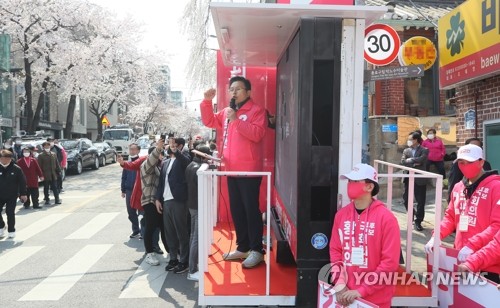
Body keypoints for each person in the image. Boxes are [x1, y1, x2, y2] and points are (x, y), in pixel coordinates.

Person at [200, 76, 267, 269]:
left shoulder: (256, 111)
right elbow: (209, 121)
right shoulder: (227, 111)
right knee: (237, 210)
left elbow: (257, 134)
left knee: (250, 210)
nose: (234, 92)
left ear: (248, 91)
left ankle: (256, 250)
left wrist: (236, 120)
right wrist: (206, 101)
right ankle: (243, 246)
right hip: (230, 169)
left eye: (238, 89)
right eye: (232, 89)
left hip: (249, 170)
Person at [425, 144, 500, 283]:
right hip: (461, 257)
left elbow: (497, 226)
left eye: (470, 162)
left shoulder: (496, 187)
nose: (465, 166)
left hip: (488, 262)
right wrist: (437, 235)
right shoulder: (459, 187)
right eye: (461, 162)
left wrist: (473, 245)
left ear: (481, 162)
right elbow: (450, 217)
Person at [330, 163, 400, 308]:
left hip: (376, 300)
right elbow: (336, 251)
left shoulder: (386, 218)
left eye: (356, 181)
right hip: (345, 297)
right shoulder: (341, 215)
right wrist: (340, 282)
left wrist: (362, 290)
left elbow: (390, 263)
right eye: (349, 181)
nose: (350, 185)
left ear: (370, 187)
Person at [155, 137, 191, 274]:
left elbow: (187, 163)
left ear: (179, 146)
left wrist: (177, 152)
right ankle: (173, 258)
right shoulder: (165, 162)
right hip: (166, 201)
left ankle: (184, 261)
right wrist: (158, 199)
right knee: (169, 232)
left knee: (181, 232)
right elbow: (162, 182)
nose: (172, 147)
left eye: (175, 145)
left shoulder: (184, 159)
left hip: (179, 201)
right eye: (170, 145)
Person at [140, 140, 169, 266]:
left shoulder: (158, 166)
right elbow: (152, 159)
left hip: (158, 201)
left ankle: (170, 251)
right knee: (151, 227)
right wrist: (158, 148)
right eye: (159, 154)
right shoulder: (146, 165)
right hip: (149, 200)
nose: (161, 156)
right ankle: (149, 253)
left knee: (163, 227)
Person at [185, 145, 211, 281]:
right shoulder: (198, 169)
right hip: (198, 205)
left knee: (193, 236)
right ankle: (193, 269)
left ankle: (193, 266)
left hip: (191, 205)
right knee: (196, 237)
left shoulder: (190, 165)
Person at [447, 137, 492, 202]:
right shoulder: (458, 185)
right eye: (462, 163)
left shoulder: (486, 165)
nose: (466, 165)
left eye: (477, 147)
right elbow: (452, 184)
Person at [401, 131, 429, 231]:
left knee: (420, 201)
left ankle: (418, 221)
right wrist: (414, 162)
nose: (409, 141)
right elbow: (403, 161)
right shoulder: (406, 150)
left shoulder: (424, 150)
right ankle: (412, 214)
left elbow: (422, 160)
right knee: (405, 199)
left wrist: (411, 160)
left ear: (416, 140)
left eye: (410, 139)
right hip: (408, 177)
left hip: (419, 178)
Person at [0, 150, 28, 238]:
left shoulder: (16, 169)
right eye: (2, 158)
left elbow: (22, 182)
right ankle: (1, 226)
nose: (4, 160)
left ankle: (11, 230)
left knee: (10, 212)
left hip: (11, 195)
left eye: (7, 158)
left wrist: (23, 194)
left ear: (10, 159)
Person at [121, 143, 141, 238]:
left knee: (141, 211)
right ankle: (136, 230)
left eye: (134, 149)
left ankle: (143, 230)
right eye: (130, 149)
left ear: (138, 151)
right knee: (130, 211)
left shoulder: (141, 161)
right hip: (129, 190)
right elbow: (123, 177)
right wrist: (123, 190)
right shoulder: (127, 163)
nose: (132, 151)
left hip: (140, 190)